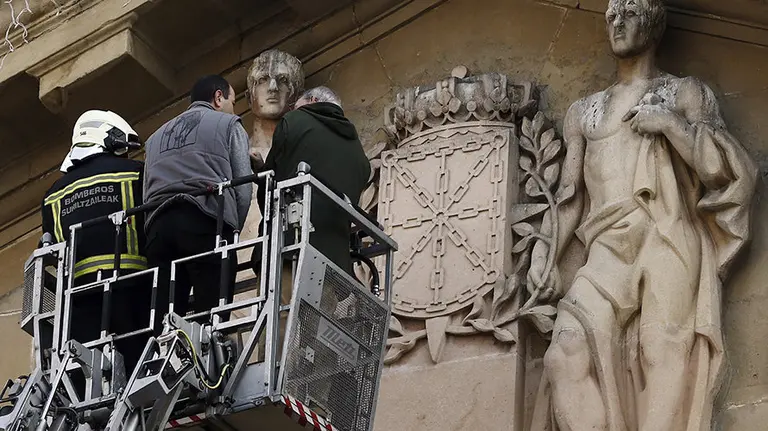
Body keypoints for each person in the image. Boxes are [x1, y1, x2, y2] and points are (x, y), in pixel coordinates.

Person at [528, 0, 757, 430]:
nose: (617, 22)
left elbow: (724, 170)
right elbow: (569, 196)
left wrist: (670, 125)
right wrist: (545, 254)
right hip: (605, 247)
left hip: (666, 235)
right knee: (563, 356)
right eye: (611, 15)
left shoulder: (683, 93)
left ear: (652, 25)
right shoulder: (583, 111)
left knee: (663, 349)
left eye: (629, 13)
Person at [41, 109, 149, 375]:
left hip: (78, 298)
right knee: (138, 364)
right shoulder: (135, 172)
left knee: (89, 374)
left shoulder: (53, 194)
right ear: (109, 138)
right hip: (131, 286)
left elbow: (51, 244)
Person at [143, 75, 252, 324]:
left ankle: (167, 357)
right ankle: (212, 357)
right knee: (212, 315)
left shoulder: (154, 139)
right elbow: (243, 189)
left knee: (166, 317)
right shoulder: (228, 124)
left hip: (159, 229)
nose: (233, 108)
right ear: (218, 97)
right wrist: (232, 228)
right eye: (232, 101)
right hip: (205, 220)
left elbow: (147, 191)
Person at [255, 86, 371, 277]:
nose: (295, 112)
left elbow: (272, 190)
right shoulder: (359, 156)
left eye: (298, 107)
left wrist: (260, 170)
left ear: (313, 100)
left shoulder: (295, 121)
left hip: (288, 249)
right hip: (334, 266)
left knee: (282, 303)